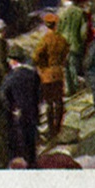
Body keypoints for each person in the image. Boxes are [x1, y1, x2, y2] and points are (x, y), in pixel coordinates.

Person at [0, 44, 41, 168]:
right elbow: (39, 92)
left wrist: (11, 109)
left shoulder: (10, 78)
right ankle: (33, 161)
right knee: (32, 138)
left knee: (21, 139)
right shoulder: (32, 74)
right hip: (32, 111)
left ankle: (25, 163)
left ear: (13, 61)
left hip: (18, 114)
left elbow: (3, 96)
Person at [33, 12, 70, 140]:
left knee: (49, 104)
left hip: (47, 75)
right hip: (58, 73)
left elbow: (36, 56)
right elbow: (66, 52)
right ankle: (58, 127)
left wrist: (42, 66)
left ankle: (51, 129)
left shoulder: (45, 40)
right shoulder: (62, 39)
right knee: (59, 101)